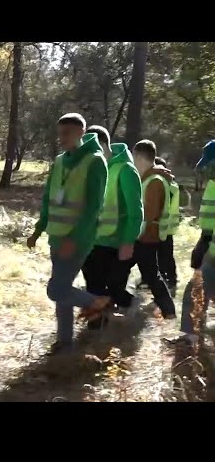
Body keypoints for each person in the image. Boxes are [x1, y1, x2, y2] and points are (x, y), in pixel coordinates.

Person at [27, 113, 110, 355]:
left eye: (67, 133)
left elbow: (94, 208)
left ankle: (97, 303)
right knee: (63, 289)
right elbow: (47, 199)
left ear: (81, 133)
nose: (61, 138)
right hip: (56, 237)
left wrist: (73, 240)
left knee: (56, 290)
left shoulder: (95, 162)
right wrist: (38, 229)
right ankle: (65, 343)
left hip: (77, 240)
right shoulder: (60, 161)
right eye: (60, 132)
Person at [81, 125, 143, 329]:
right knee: (94, 289)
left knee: (112, 290)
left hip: (114, 243)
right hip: (90, 240)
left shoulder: (125, 169)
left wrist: (128, 242)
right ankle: (95, 330)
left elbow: (136, 211)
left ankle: (131, 306)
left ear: (103, 144)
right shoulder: (91, 168)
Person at [164, 140, 215, 348]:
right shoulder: (212, 184)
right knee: (195, 291)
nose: (207, 169)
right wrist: (204, 241)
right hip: (212, 248)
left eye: (210, 164)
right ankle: (190, 337)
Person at [126, 140, 176, 318]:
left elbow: (150, 213)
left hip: (145, 237)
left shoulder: (154, 181)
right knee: (148, 274)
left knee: (151, 276)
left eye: (133, 156)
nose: (131, 160)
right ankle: (167, 311)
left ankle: (168, 311)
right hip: (141, 236)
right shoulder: (149, 176)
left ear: (139, 156)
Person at [154, 157, 179, 289]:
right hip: (167, 227)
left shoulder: (168, 187)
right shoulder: (172, 186)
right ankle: (170, 277)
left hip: (164, 227)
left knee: (165, 256)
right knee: (164, 255)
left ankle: (170, 278)